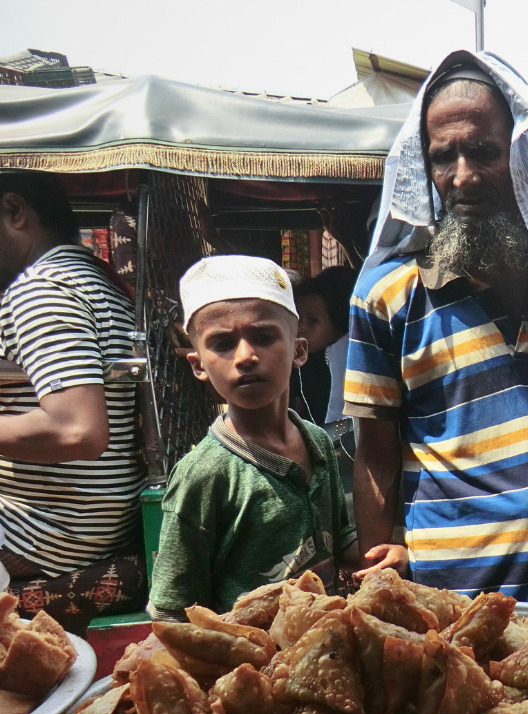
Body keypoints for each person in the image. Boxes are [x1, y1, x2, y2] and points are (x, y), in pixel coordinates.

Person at [344, 50, 528, 606]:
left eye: (484, 152)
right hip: (451, 604)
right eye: (443, 158)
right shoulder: (387, 296)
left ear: (524, 160)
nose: (462, 177)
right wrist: (383, 591)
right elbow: (374, 453)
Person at [147, 256, 405, 620]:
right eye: (222, 343)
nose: (246, 356)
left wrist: (385, 555)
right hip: (251, 667)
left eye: (264, 337)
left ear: (299, 350)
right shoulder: (204, 474)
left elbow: (336, 536)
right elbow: (172, 610)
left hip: (319, 652)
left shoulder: (316, 442)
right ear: (198, 364)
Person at [0, 171, 147, 632]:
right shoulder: (91, 280)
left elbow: (76, 430)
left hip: (46, 534)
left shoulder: (43, 290)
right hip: (84, 525)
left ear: (14, 211)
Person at [290, 265, 357, 425]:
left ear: (338, 325)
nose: (302, 328)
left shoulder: (343, 357)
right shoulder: (296, 361)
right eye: (297, 318)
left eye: (312, 321)